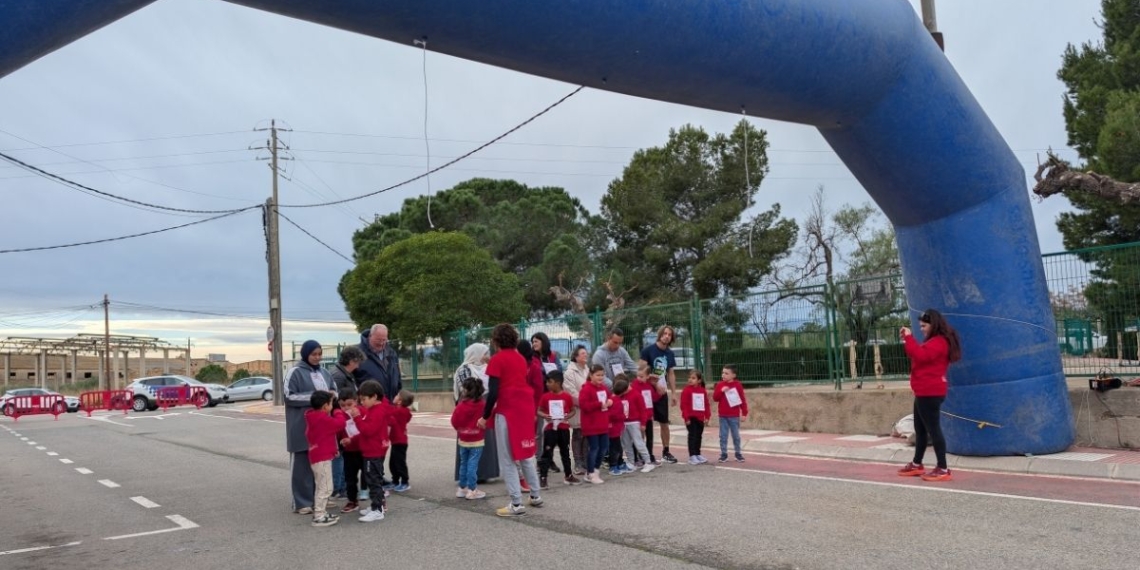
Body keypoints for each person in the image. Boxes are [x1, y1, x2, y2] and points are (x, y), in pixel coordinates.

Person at [477, 323, 544, 517]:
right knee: (525, 454)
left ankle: (516, 503)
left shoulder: (497, 360)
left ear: (496, 340)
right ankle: (535, 494)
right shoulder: (520, 358)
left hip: (507, 410)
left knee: (507, 459)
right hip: (524, 408)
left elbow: (493, 392)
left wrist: (485, 416)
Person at [897, 309, 961, 482]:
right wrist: (909, 339)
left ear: (934, 325)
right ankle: (917, 463)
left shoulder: (939, 342)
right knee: (920, 430)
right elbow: (918, 355)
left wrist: (909, 337)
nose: (922, 329)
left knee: (933, 430)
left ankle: (943, 468)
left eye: (924, 326)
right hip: (923, 391)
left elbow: (920, 355)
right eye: (920, 326)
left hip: (930, 392)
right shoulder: (935, 341)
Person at [285, 340, 334, 514]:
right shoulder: (295, 372)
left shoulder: (325, 372)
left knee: (321, 464)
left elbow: (333, 391)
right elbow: (289, 396)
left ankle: (320, 498)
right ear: (305, 354)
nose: (317, 357)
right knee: (302, 465)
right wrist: (315, 398)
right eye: (314, 354)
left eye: (320, 354)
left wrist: (332, 396)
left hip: (322, 428)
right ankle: (301, 502)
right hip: (301, 425)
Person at [451, 343, 499, 484]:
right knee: (469, 440)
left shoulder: (488, 368)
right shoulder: (463, 369)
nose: (487, 356)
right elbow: (465, 389)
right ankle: (469, 476)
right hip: (470, 407)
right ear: (476, 354)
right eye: (484, 353)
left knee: (486, 440)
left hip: (485, 407)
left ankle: (485, 472)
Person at [305, 390, 347, 527]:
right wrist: (338, 411)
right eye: (331, 403)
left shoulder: (313, 417)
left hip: (318, 456)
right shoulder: (323, 419)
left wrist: (333, 450)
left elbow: (325, 437)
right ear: (325, 406)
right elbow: (340, 424)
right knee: (326, 488)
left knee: (321, 486)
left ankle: (321, 512)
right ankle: (319, 516)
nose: (332, 406)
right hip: (322, 458)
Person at [640, 325, 679, 464]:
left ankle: (666, 451)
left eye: (669, 334)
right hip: (648, 392)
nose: (667, 336)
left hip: (662, 393)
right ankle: (644, 452)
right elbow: (641, 372)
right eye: (665, 333)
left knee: (664, 422)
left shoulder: (669, 353)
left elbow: (671, 373)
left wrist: (673, 393)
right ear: (660, 334)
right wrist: (654, 384)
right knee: (646, 422)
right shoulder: (648, 351)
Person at [352, 380, 390, 522]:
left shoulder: (377, 411)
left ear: (374, 397)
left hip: (373, 451)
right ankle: (376, 505)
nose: (362, 402)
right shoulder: (374, 409)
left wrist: (357, 418)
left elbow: (368, 431)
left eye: (364, 399)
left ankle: (377, 509)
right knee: (372, 479)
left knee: (374, 481)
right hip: (371, 451)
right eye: (360, 399)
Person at [328, 346, 363, 499]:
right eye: (358, 361)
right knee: (340, 454)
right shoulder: (339, 376)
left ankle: (341, 486)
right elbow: (336, 399)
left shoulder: (344, 374)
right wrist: (343, 414)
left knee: (342, 454)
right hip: (341, 420)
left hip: (344, 419)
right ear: (351, 361)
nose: (359, 365)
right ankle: (339, 487)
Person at [537, 370, 579, 489]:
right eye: (547, 382)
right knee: (547, 452)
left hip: (563, 427)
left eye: (550, 382)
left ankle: (568, 475)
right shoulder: (545, 397)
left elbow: (572, 410)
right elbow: (539, 410)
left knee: (565, 452)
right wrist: (545, 415)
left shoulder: (566, 396)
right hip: (550, 428)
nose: (547, 384)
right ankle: (543, 477)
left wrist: (567, 416)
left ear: (558, 383)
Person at [518, 339, 551, 483]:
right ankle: (522, 467)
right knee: (522, 437)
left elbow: (538, 389)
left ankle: (534, 464)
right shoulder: (518, 365)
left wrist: (536, 409)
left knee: (533, 436)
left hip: (531, 406)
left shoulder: (534, 366)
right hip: (519, 406)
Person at [452, 377, 488, 500]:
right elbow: (488, 418)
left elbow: (454, 420)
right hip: (477, 440)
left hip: (463, 439)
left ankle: (462, 488)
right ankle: (472, 489)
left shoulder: (461, 405)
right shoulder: (482, 405)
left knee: (464, 463)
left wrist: (460, 429)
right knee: (473, 464)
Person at [578, 364, 612, 484]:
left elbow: (610, 397)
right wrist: (599, 404)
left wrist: (610, 401)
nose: (600, 377)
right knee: (594, 448)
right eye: (598, 375)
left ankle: (596, 470)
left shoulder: (603, 388)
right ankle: (590, 472)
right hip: (591, 425)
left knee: (603, 448)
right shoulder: (586, 389)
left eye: (602, 375)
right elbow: (584, 406)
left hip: (603, 423)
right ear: (591, 375)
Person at [335, 387, 365, 514]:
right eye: (343, 405)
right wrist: (339, 443)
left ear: (356, 401)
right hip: (349, 452)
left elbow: (365, 431)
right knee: (350, 478)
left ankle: (379, 500)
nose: (346, 408)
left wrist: (351, 439)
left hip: (364, 450)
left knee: (370, 476)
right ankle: (352, 500)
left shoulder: (362, 412)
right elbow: (338, 431)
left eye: (349, 404)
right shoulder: (340, 416)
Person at [617, 375, 655, 474]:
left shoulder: (636, 395)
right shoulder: (621, 395)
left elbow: (643, 410)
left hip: (634, 422)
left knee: (638, 442)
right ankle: (631, 462)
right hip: (624, 422)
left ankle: (647, 461)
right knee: (626, 444)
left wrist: (643, 423)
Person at [562, 345, 590, 476]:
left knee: (587, 435)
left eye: (586, 353)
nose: (586, 355)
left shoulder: (587, 370)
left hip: (588, 408)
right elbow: (570, 391)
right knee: (578, 434)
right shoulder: (569, 373)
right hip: (578, 408)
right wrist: (584, 402)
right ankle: (578, 463)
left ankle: (585, 461)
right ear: (576, 356)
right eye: (583, 353)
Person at [356, 324, 402, 402]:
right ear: (370, 336)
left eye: (384, 340)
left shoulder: (391, 353)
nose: (381, 343)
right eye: (378, 340)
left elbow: (397, 377)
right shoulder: (357, 353)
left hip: (391, 403)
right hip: (367, 405)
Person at [713, 364, 748, 463]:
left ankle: (738, 453)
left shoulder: (738, 385)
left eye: (726, 373)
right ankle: (723, 454)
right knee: (723, 436)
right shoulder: (720, 385)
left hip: (734, 416)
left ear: (733, 375)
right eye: (723, 373)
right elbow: (715, 398)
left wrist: (744, 413)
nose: (723, 375)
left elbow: (742, 399)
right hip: (723, 416)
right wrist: (721, 391)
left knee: (736, 436)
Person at [680, 370, 711, 464]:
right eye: (689, 378)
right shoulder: (686, 390)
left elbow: (706, 404)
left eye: (693, 378)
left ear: (699, 380)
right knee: (692, 436)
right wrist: (686, 418)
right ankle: (692, 455)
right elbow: (684, 405)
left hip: (700, 418)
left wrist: (707, 416)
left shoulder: (702, 391)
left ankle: (697, 453)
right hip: (691, 417)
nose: (690, 379)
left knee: (698, 436)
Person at [388, 390, 414, 493]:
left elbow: (389, 414)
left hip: (399, 441)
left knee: (399, 462)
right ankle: (395, 480)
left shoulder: (400, 411)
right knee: (393, 463)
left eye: (397, 395)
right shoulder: (401, 411)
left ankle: (404, 482)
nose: (394, 396)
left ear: (400, 401)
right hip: (396, 441)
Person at [606, 376, 629, 477]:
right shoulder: (615, 400)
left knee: (618, 447)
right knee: (614, 448)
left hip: (616, 428)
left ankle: (620, 463)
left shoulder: (614, 399)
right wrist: (622, 416)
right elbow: (613, 415)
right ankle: (613, 465)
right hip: (613, 429)